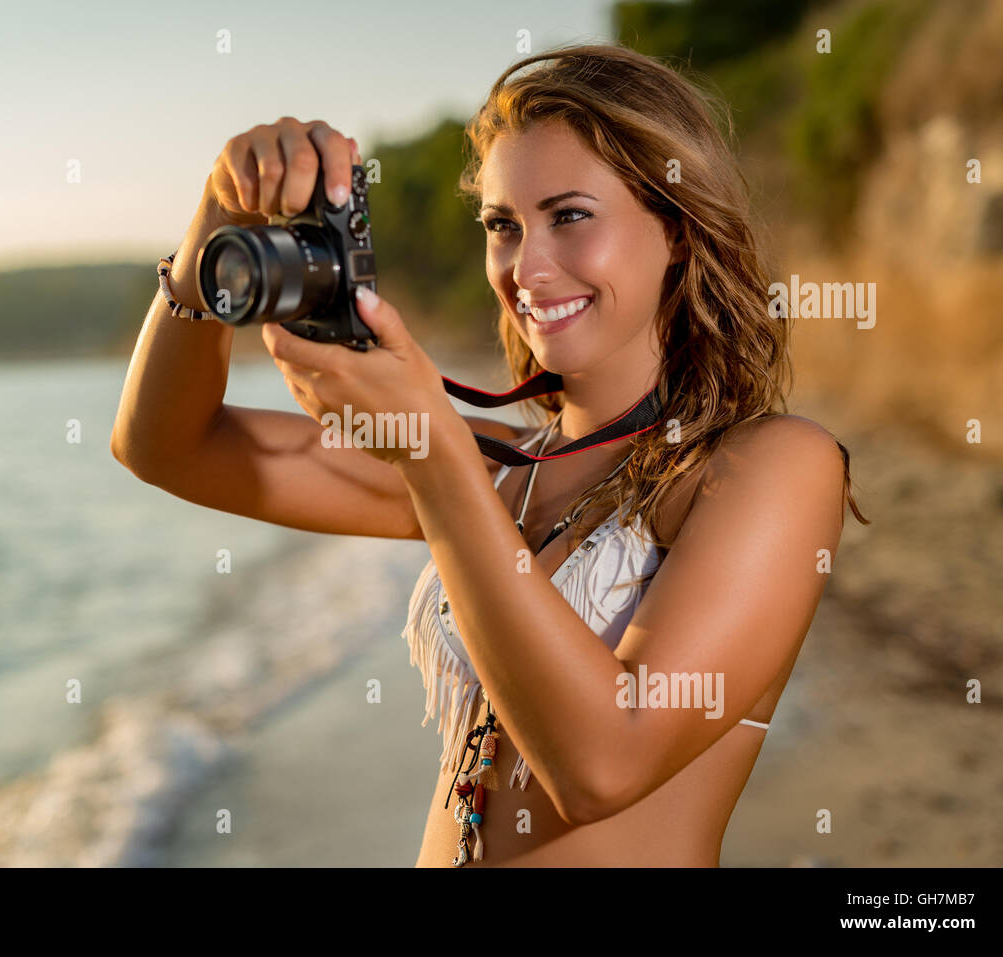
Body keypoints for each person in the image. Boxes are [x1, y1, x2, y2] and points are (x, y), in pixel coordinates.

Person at [111, 42, 868, 867]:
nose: (527, 268)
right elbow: (166, 447)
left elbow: (604, 764)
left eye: (569, 215)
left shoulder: (770, 466)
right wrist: (218, 218)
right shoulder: (500, 463)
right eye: (503, 226)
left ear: (678, 231)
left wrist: (433, 457)